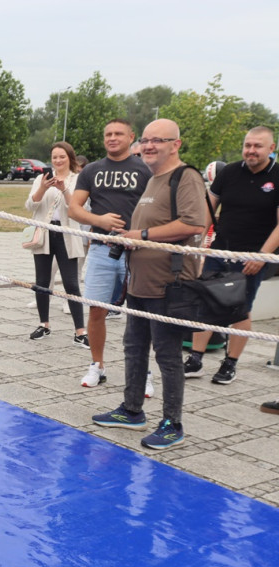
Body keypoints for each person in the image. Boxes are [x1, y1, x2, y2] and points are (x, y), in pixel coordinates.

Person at [92, 119, 208, 450]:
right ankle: (132, 410)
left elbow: (193, 223)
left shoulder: (185, 177)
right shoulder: (153, 179)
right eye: (145, 140)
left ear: (176, 144)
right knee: (134, 347)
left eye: (158, 140)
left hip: (170, 285)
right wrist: (130, 239)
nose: (149, 145)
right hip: (141, 284)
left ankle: (173, 423)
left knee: (168, 356)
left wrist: (139, 236)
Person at [184, 126, 279, 384]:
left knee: (240, 309)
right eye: (247, 145)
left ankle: (230, 363)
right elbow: (209, 208)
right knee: (205, 303)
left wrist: (262, 256)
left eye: (258, 146)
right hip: (220, 249)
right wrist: (199, 244)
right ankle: (195, 359)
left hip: (255, 257)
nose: (251, 150)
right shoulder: (229, 172)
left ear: (272, 149)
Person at [68, 119, 152, 389]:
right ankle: (97, 366)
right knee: (96, 310)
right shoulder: (92, 170)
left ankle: (144, 372)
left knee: (142, 315)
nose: (112, 138)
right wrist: (100, 220)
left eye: (118, 134)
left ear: (131, 137)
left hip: (139, 253)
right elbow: (75, 209)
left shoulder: (146, 170)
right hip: (102, 250)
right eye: (108, 134)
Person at [24, 141, 88, 347]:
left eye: (62, 157)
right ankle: (44, 324)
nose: (58, 161)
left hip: (67, 234)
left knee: (71, 282)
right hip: (44, 233)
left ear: (70, 158)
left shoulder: (78, 179)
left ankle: (80, 331)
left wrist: (65, 190)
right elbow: (30, 205)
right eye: (54, 157)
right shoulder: (41, 178)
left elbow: (78, 208)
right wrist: (42, 188)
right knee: (42, 281)